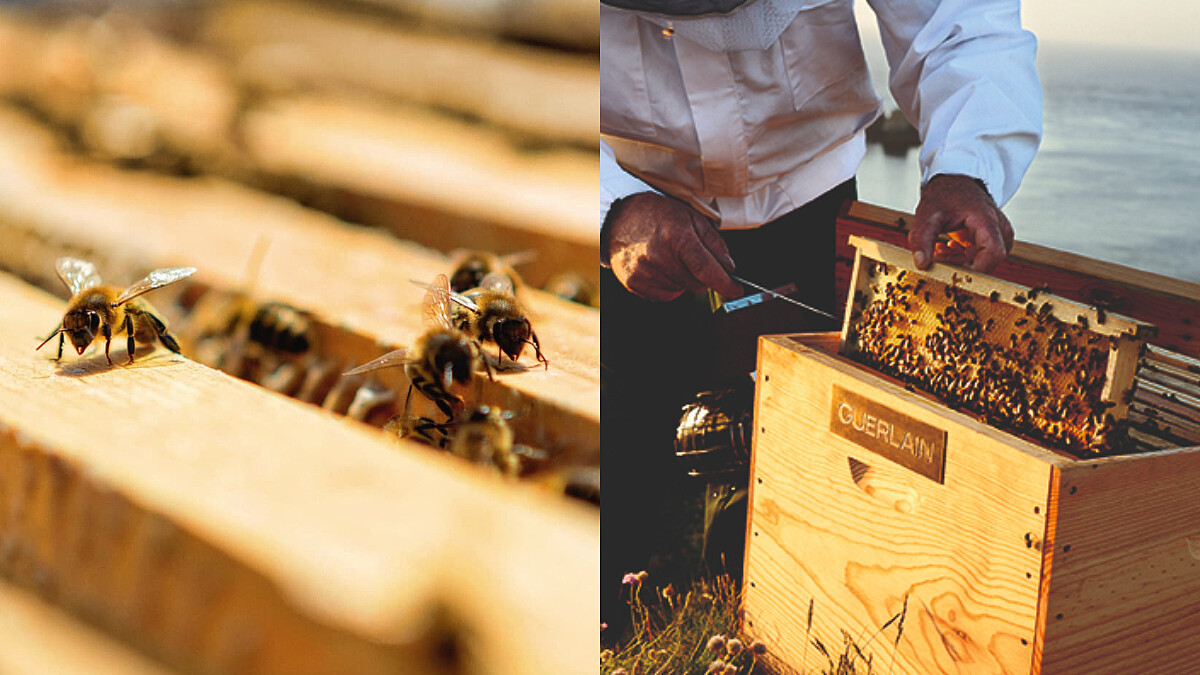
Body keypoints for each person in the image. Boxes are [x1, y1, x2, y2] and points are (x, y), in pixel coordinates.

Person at [600, 0, 1042, 638]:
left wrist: (965, 167)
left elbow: (958, 21)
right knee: (614, 493)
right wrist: (609, 207)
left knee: (808, 504)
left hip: (814, 214)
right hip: (633, 219)